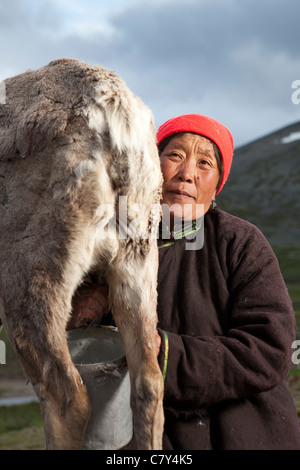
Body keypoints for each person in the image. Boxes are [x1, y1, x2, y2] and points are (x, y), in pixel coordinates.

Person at [69, 113, 300, 450]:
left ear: (217, 183)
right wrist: (80, 310)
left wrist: (161, 353)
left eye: (204, 163)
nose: (187, 173)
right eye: (174, 155)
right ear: (152, 165)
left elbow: (269, 350)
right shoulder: (112, 242)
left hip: (240, 433)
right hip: (142, 437)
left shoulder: (241, 243)